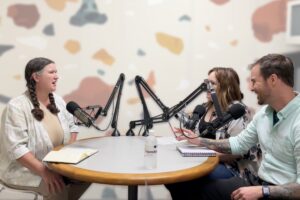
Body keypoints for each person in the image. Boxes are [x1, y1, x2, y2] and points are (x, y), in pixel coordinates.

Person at [173, 54, 300, 199]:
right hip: (259, 184)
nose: (250, 88)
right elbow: (238, 143)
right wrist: (199, 141)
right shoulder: (264, 114)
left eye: (254, 82)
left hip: (277, 193)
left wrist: (263, 191)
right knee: (190, 189)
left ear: (272, 80)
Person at [0, 57, 90, 200]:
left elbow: (73, 127)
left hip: (57, 166)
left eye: (56, 72)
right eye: (51, 72)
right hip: (26, 171)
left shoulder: (58, 101)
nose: (57, 76)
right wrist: (45, 172)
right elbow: (17, 149)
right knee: (57, 187)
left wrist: (69, 155)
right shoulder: (16, 107)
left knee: (86, 176)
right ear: (36, 77)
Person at [166, 67, 261, 199]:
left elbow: (238, 152)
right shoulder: (205, 107)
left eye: (212, 83)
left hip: (231, 168)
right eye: (206, 82)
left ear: (226, 86)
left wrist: (203, 153)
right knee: (172, 178)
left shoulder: (236, 111)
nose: (207, 87)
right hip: (202, 161)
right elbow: (199, 138)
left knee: (186, 180)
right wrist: (188, 137)